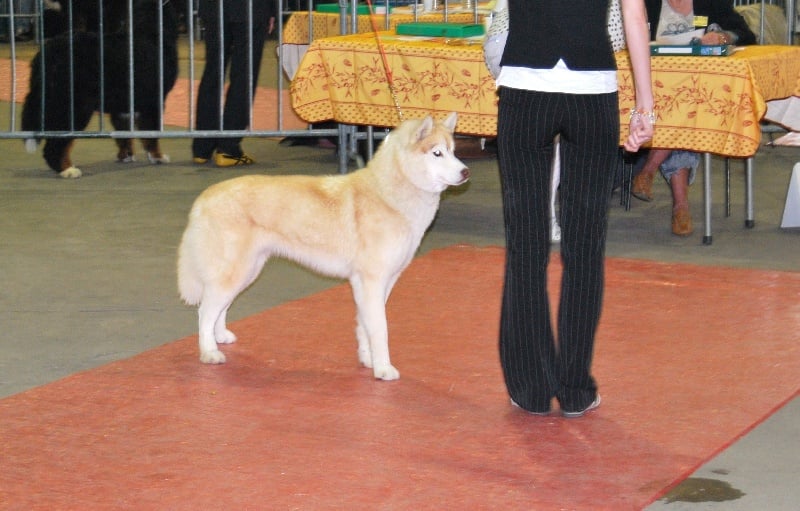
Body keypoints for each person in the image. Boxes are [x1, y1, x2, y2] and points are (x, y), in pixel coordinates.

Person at [495, 0, 654, 417]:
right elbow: (635, 18)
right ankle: (576, 389)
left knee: (526, 244)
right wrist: (645, 107)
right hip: (593, 90)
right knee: (585, 246)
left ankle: (530, 389)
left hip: (525, 87)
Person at [631, 0, 756, 236]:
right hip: (653, 90)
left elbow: (746, 35)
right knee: (681, 112)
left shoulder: (710, 2)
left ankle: (650, 172)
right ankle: (680, 206)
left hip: (698, 93)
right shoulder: (647, 4)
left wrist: (723, 37)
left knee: (686, 109)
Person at [192, 0, 276, 167]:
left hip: (215, 8)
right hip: (251, 9)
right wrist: (271, 9)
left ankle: (202, 147)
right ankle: (228, 147)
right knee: (244, 75)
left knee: (212, 73)